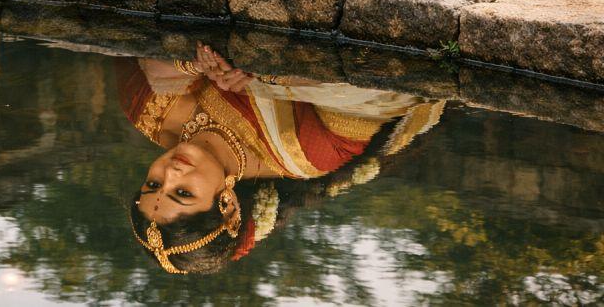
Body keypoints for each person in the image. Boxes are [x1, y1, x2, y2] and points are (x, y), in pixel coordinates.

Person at [119, 45, 446, 274]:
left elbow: (133, 45)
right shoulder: (306, 151)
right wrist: (265, 72)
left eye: (153, 184)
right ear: (229, 207)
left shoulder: (145, 111)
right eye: (183, 193)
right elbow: (378, 85)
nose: (171, 173)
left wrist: (195, 64)